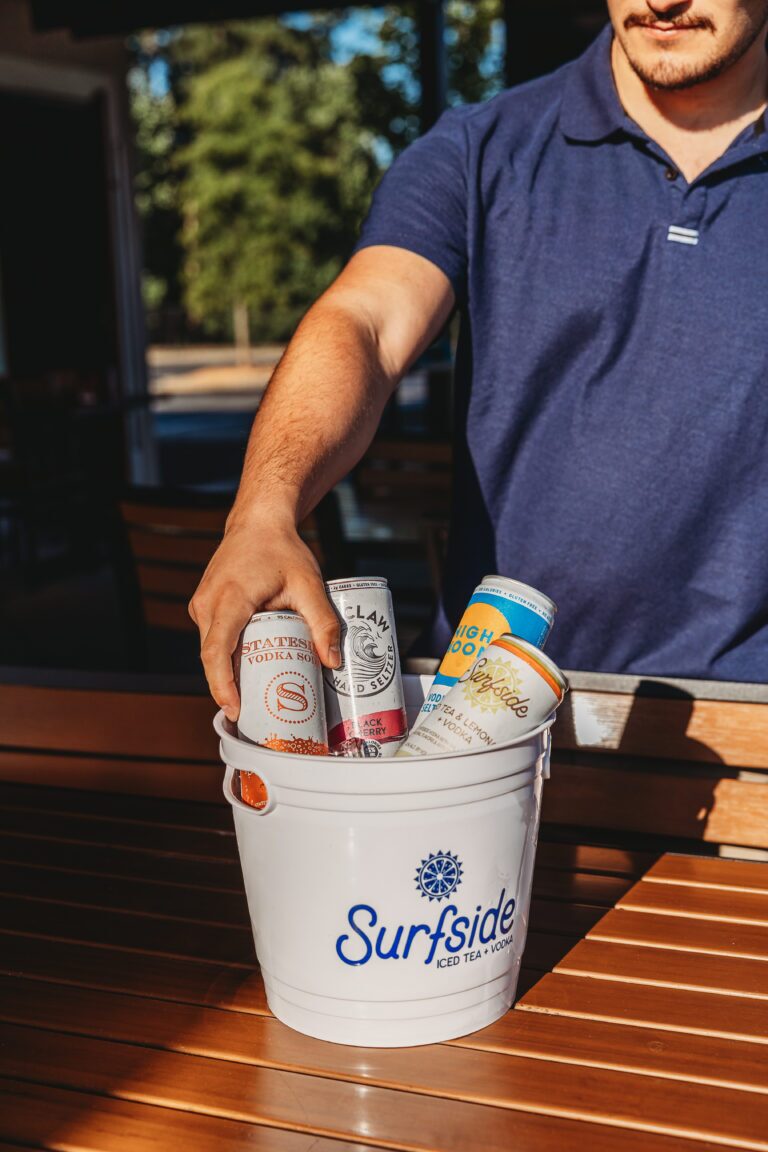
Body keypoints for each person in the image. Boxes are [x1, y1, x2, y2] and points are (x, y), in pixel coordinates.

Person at [190, 0, 768, 721]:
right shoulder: (479, 147)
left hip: (751, 719)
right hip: (482, 717)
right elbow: (364, 322)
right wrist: (264, 511)